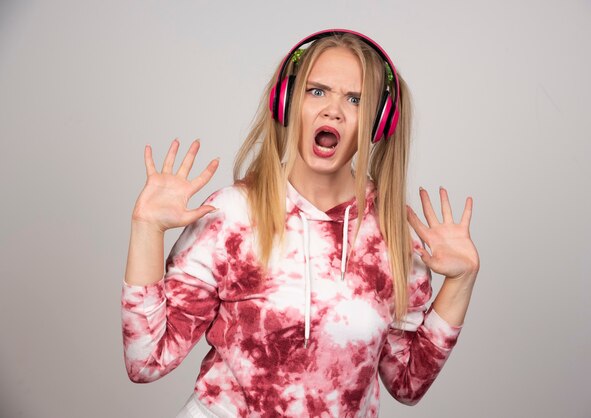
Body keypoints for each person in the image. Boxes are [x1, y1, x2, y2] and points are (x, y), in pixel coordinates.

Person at [122, 29, 480, 418]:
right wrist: (146, 228)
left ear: (380, 121)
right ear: (288, 101)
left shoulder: (390, 239)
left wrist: (461, 282)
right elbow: (146, 361)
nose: (333, 111)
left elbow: (408, 384)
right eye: (317, 91)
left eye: (356, 99)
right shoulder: (231, 216)